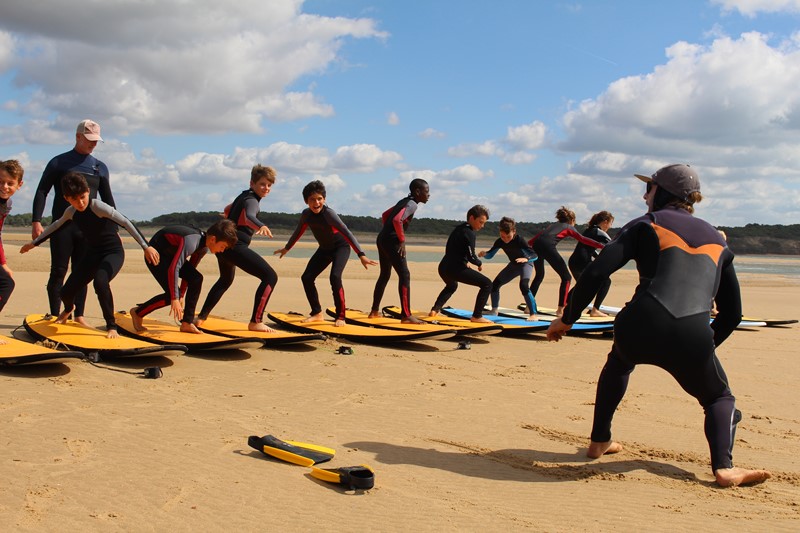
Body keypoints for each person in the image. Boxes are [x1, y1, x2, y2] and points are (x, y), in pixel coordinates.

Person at [547, 164, 771, 488]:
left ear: (663, 192)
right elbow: (732, 314)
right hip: (693, 333)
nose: (644, 194)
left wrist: (567, 319)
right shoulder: (719, 241)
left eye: (649, 188)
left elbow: (597, 273)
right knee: (719, 398)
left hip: (640, 322)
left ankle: (599, 441)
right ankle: (724, 468)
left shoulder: (646, 224)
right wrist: (702, 349)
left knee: (619, 363)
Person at [21, 173, 159, 339]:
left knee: (100, 282)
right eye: (74, 199)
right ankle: (68, 309)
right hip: (93, 253)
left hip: (112, 252)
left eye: (82, 197)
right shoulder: (71, 212)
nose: (80, 203)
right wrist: (33, 243)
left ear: (88, 191)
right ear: (66, 198)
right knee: (65, 292)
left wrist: (146, 246)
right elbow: (56, 225)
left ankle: (111, 326)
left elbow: (125, 222)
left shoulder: (97, 206)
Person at [31, 119, 115, 326]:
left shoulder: (100, 167)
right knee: (58, 271)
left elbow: (109, 201)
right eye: (89, 140)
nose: (93, 144)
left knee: (82, 272)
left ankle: (79, 315)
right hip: (63, 226)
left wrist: (112, 230)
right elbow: (42, 191)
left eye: (96, 141)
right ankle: (54, 314)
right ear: (78, 137)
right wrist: (36, 221)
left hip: (90, 230)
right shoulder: (58, 162)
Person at [274, 180, 377, 327]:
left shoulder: (329, 214)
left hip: (340, 247)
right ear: (306, 201)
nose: (316, 203)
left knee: (335, 277)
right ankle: (316, 313)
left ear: (324, 199)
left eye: (319, 199)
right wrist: (287, 248)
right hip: (324, 249)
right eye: (312, 200)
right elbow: (299, 231)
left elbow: (346, 232)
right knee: (307, 278)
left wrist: (361, 254)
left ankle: (341, 316)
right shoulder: (306, 215)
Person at [195, 165, 279, 333]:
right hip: (235, 246)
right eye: (262, 184)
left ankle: (201, 318)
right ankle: (256, 321)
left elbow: (229, 208)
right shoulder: (252, 200)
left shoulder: (244, 196)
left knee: (225, 280)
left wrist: (228, 215)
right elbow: (249, 217)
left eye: (269, 185)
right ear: (252, 183)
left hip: (225, 248)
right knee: (270, 276)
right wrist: (260, 225)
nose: (266, 188)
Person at [129, 220, 238, 334]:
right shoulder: (191, 241)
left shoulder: (203, 248)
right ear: (213, 239)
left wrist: (181, 295)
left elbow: (190, 274)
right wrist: (175, 298)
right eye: (223, 246)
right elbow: (174, 268)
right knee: (170, 295)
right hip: (155, 255)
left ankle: (187, 323)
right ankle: (138, 313)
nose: (222, 250)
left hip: (171, 255)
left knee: (196, 278)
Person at [368, 178, 430, 323]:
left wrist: (387, 232)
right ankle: (406, 315)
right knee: (404, 275)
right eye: (427, 192)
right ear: (417, 192)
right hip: (392, 241)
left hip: (382, 238)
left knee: (384, 275)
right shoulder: (412, 204)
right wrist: (401, 239)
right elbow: (397, 220)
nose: (429, 195)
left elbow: (385, 215)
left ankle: (374, 311)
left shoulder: (403, 201)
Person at [528, 206, 604, 316]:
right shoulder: (569, 227)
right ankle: (560, 309)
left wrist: (526, 248)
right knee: (566, 277)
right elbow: (582, 239)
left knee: (539, 275)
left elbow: (536, 238)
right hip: (548, 247)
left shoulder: (552, 225)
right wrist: (601, 246)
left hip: (536, 246)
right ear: (572, 220)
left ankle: (528, 307)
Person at [429, 205, 493, 323]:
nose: (482, 226)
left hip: (444, 267)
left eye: (484, 223)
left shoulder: (458, 229)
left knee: (452, 286)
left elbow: (456, 250)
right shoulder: (469, 232)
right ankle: (477, 316)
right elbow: (471, 255)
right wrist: (478, 263)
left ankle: (435, 310)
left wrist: (464, 262)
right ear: (472, 218)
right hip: (455, 269)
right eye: (481, 222)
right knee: (487, 284)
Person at [478, 216, 539, 320]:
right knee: (495, 285)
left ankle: (533, 314)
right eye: (502, 236)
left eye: (508, 236)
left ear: (513, 231)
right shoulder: (499, 242)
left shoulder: (520, 240)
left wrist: (526, 259)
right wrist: (485, 254)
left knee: (524, 286)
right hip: (514, 265)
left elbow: (535, 255)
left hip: (525, 265)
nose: (505, 239)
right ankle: (494, 311)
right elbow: (490, 255)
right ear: (500, 233)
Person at [568, 211, 614, 317]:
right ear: (605, 222)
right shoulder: (599, 232)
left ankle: (565, 306)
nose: (610, 226)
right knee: (606, 281)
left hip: (574, 261)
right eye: (611, 223)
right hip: (582, 261)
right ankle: (595, 310)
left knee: (580, 285)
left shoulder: (589, 230)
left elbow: (588, 248)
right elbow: (613, 245)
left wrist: (598, 258)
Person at [0, 160, 24, 343]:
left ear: (19, 185)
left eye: (10, 183)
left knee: (6, 283)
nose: (5, 186)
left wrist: (3, 263)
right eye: (0, 182)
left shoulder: (7, 204)